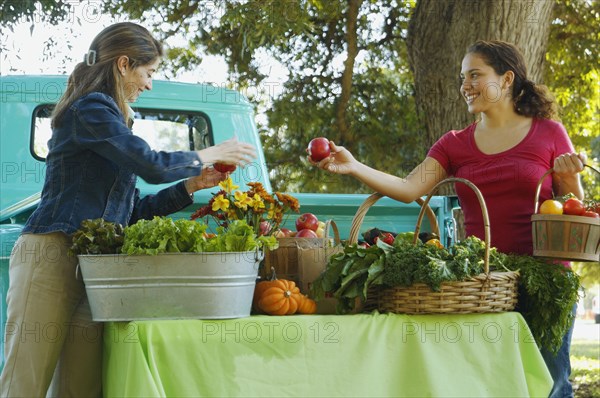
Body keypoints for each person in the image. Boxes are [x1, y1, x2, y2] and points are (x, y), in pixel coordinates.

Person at [312, 40, 584, 398]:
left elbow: (575, 209)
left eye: (475, 75)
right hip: (485, 285)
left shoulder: (549, 133)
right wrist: (354, 166)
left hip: (546, 280)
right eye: (462, 77)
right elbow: (410, 188)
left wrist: (572, 177)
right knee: (493, 386)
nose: (465, 85)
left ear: (506, 79)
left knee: (551, 386)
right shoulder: (454, 144)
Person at [0, 22, 256, 397]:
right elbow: (150, 163)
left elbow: (131, 211)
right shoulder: (91, 109)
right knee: (24, 385)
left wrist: (190, 185)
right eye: (148, 72)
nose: (149, 83)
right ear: (123, 64)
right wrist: (207, 153)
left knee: (83, 389)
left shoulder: (116, 123)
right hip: (51, 257)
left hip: (95, 268)